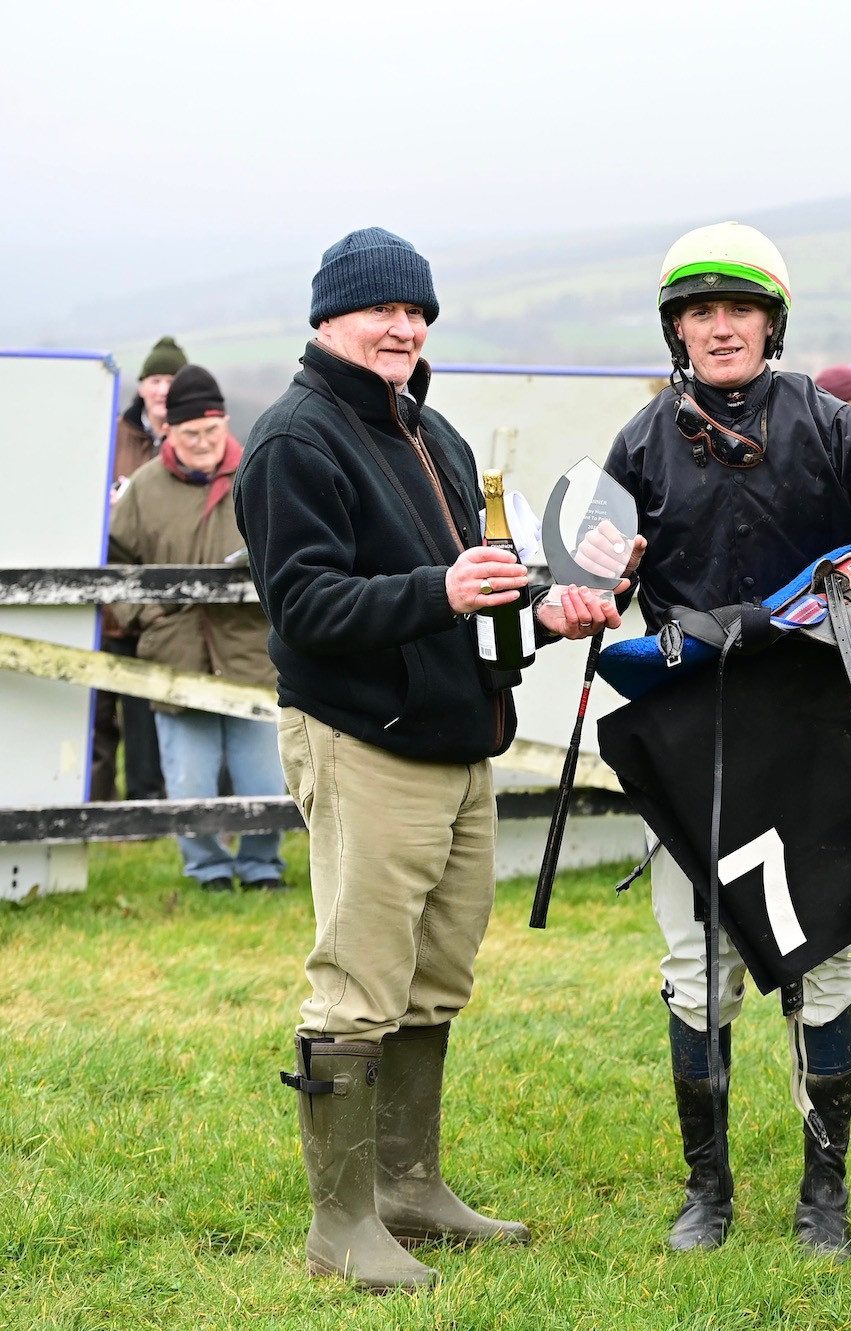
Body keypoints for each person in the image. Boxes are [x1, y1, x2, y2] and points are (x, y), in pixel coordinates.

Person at [236, 227, 619, 1292]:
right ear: (329, 318)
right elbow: (304, 606)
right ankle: (340, 1224)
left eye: (417, 312)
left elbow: (482, 592)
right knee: (359, 980)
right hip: (364, 738)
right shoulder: (294, 440)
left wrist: (547, 609)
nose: (403, 328)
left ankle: (408, 1188)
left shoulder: (431, 431)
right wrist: (438, 591)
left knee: (436, 973)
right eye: (383, 310)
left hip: (458, 740)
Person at [600, 221, 851, 1259]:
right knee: (698, 969)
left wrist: (803, 614)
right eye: (701, 311)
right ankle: (706, 1192)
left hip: (817, 738)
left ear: (771, 323)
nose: (721, 327)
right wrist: (589, 593)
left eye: (740, 309)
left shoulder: (836, 429)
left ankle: (823, 1195)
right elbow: (594, 578)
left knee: (826, 963)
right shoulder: (638, 444)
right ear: (677, 328)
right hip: (690, 742)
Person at [108, 366, 286, 889]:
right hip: (176, 655)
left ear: (225, 422)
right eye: (191, 434)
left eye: (212, 430)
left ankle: (261, 867)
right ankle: (207, 869)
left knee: (264, 776)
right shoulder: (142, 489)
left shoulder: (262, 473)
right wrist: (148, 614)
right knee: (189, 779)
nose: (204, 442)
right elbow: (114, 565)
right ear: (168, 431)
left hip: (253, 653)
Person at [92, 335, 186, 802]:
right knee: (98, 711)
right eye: (155, 379)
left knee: (153, 710)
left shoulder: (193, 438)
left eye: (172, 380)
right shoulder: (111, 437)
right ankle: (94, 805)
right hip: (110, 600)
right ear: (141, 386)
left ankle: (150, 802)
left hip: (168, 606)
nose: (162, 389)